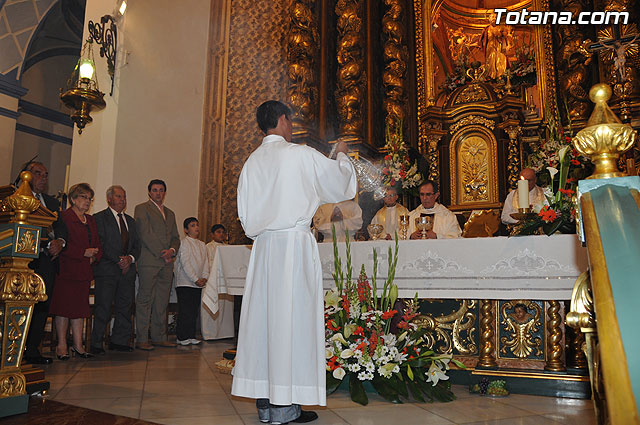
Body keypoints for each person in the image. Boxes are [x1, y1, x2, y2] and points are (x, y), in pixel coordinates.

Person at [232, 100, 357, 424]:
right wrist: (342, 153)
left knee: (264, 324)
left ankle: (266, 404)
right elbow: (338, 183)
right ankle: (284, 408)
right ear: (284, 120)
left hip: (263, 250)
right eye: (291, 119)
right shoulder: (298, 154)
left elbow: (245, 217)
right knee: (291, 323)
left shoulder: (252, 162)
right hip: (293, 250)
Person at [49, 183, 102, 360]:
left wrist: (95, 255)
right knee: (64, 309)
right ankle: (62, 346)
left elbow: (97, 242)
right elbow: (61, 244)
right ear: (72, 199)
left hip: (84, 270)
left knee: (80, 309)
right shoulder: (63, 217)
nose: (87, 202)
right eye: (83, 197)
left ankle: (78, 346)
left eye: (89, 198)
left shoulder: (91, 220)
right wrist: (82, 253)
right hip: (67, 269)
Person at [23, 161, 68, 365]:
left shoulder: (51, 202)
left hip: (48, 263)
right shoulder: (18, 199)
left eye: (46, 174)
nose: (43, 177)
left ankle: (32, 349)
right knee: (23, 306)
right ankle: (16, 349)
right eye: (38, 173)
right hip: (26, 262)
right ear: (26, 175)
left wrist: (60, 242)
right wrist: (46, 242)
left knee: (42, 307)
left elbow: (61, 229)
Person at [90, 185, 141, 354]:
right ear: (109, 199)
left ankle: (119, 341)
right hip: (107, 270)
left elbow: (137, 246)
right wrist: (119, 260)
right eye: (119, 196)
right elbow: (101, 243)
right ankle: (96, 342)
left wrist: (130, 259)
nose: (122, 200)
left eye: (124, 196)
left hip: (127, 272)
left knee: (125, 307)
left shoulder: (131, 221)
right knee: (103, 307)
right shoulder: (99, 218)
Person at [134, 179, 181, 350]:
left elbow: (176, 237)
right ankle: (141, 339)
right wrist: (163, 253)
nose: (158, 193)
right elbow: (145, 233)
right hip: (149, 261)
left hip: (167, 263)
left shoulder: (170, 213)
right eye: (154, 190)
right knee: (145, 300)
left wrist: (172, 251)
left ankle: (159, 337)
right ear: (149, 192)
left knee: (162, 301)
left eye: (161, 190)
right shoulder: (141, 208)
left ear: (165, 192)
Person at [174, 217, 209, 346]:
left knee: (194, 311)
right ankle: (182, 336)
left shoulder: (202, 244)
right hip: (185, 282)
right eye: (193, 225)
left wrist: (204, 277)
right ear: (186, 230)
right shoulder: (184, 243)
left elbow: (206, 263)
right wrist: (195, 278)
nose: (196, 227)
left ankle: (191, 335)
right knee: (185, 310)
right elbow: (185, 263)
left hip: (198, 284)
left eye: (197, 225)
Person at [202, 224, 234, 340]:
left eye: (223, 232)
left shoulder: (229, 247)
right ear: (212, 234)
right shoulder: (208, 247)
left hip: (226, 282)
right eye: (218, 232)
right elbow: (206, 263)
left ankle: (226, 333)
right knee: (211, 307)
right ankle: (210, 334)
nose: (221, 234)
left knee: (225, 309)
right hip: (212, 281)